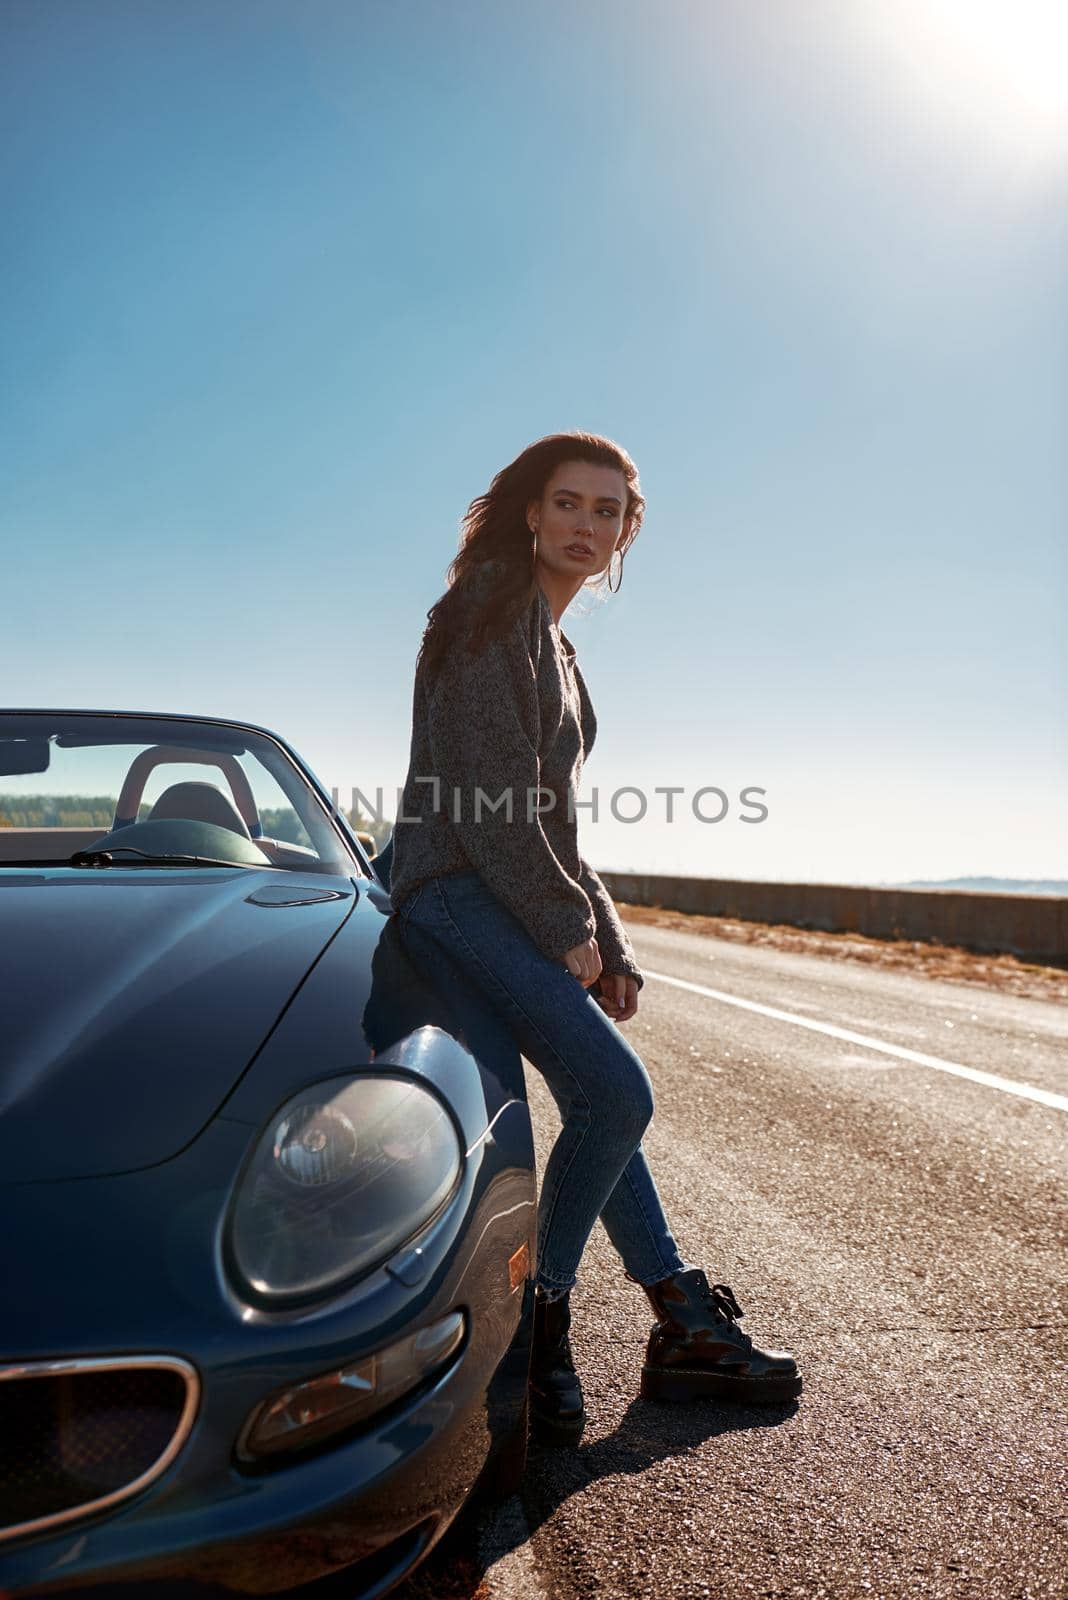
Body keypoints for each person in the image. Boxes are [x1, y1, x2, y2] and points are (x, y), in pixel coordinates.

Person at [386, 431, 801, 1443]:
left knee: (596, 1096)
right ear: (531, 511)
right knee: (617, 1093)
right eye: (568, 503)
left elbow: (557, 817)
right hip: (451, 890)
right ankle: (540, 1320)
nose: (587, 524)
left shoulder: (554, 641)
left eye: (608, 511)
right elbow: (490, 810)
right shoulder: (489, 609)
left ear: (626, 533)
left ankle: (680, 1316)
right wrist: (566, 930)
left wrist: (608, 942)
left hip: (492, 886)